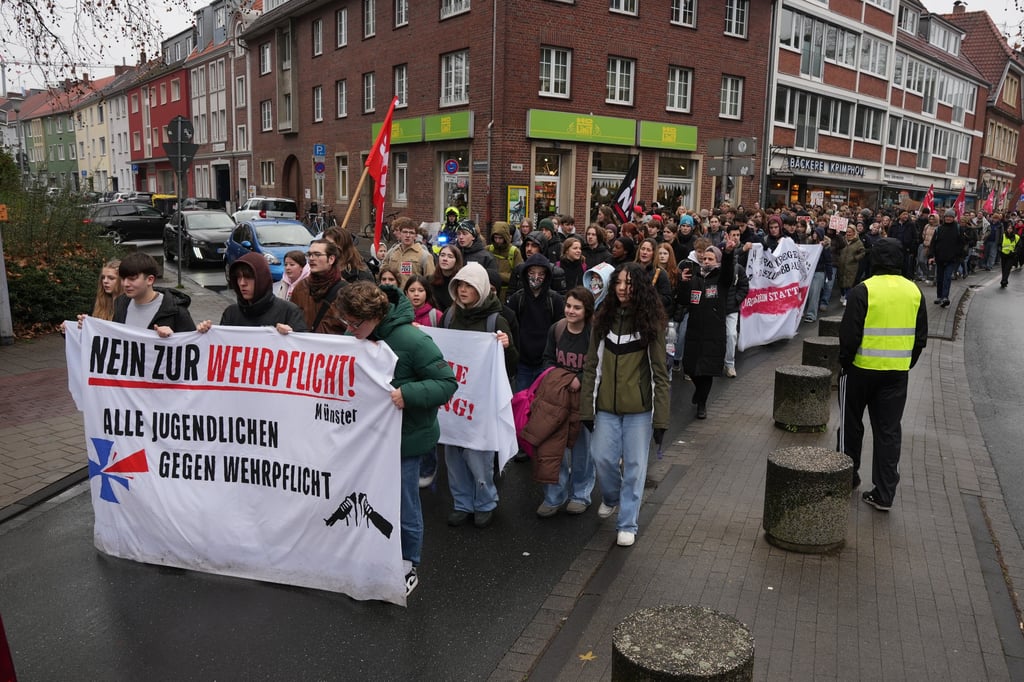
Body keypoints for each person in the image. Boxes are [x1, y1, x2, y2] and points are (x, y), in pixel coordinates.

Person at [336, 281, 458, 596]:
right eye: (346, 322)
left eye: (356, 323)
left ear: (375, 316)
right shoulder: (358, 336)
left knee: (404, 502)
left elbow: (446, 382)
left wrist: (409, 393)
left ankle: (407, 563)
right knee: (370, 499)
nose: (350, 329)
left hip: (406, 440)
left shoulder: (413, 340)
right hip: (369, 441)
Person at [580, 262, 670, 547]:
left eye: (628, 284)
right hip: (606, 406)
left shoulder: (650, 322)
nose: (622, 288)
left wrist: (661, 421)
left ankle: (627, 522)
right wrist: (587, 408)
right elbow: (591, 366)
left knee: (635, 466)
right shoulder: (602, 319)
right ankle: (611, 496)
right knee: (601, 457)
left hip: (639, 410)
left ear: (639, 287)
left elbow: (660, 373)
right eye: (618, 282)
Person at [837, 238, 927, 511]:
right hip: (896, 374)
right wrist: (906, 363)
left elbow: (849, 335)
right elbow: (920, 337)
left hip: (860, 370)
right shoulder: (914, 292)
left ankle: (846, 477)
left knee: (850, 426)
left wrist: (845, 362)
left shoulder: (863, 290)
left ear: (873, 259)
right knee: (888, 433)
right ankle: (884, 493)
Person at [443, 263, 518, 528]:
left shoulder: (495, 320)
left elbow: (512, 365)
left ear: (482, 289)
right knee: (453, 453)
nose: (463, 291)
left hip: (482, 401)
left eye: (469, 286)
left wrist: (506, 348)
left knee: (478, 455)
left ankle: (485, 501)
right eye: (460, 286)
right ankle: (462, 502)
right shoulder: (450, 317)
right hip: (454, 400)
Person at [531, 287, 596, 518]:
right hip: (557, 398)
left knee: (581, 450)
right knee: (552, 447)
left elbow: (597, 366)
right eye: (568, 306)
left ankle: (581, 494)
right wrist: (557, 377)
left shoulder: (593, 333)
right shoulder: (556, 329)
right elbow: (547, 358)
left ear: (587, 311)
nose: (570, 311)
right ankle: (554, 496)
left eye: (577, 307)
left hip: (583, 401)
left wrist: (579, 378)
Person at [678, 238, 739, 419]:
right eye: (704, 259)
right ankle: (698, 392)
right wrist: (682, 282)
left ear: (717, 262)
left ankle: (702, 404)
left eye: (710, 259)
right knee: (690, 368)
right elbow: (683, 300)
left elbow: (728, 270)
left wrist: (728, 253)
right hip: (695, 330)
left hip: (713, 331)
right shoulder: (695, 278)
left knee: (707, 370)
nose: (706, 262)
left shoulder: (721, 279)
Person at [199, 253, 307, 332]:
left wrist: (293, 335)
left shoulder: (289, 312)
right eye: (238, 277)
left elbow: (303, 352)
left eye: (248, 277)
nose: (242, 283)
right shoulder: (231, 313)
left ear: (262, 279)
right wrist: (206, 334)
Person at [508, 253, 565, 392]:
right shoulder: (517, 299)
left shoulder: (555, 300)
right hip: (523, 363)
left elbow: (560, 331)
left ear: (547, 276)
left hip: (546, 364)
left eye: (541, 273)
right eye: (532, 272)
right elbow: (511, 329)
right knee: (521, 403)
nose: (536, 277)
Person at [111, 252, 195, 337]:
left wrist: (172, 337)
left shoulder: (176, 310)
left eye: (132, 279)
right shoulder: (120, 304)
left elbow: (192, 343)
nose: (125, 284)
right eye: (122, 279)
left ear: (150, 280)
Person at [290, 239, 348, 334]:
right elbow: (291, 318)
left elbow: (351, 329)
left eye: (317, 254)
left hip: (331, 347)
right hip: (303, 346)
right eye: (309, 255)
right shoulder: (301, 286)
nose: (311, 258)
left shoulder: (345, 292)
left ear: (331, 259)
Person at [378, 216, 435, 286]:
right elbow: (382, 271)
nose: (408, 235)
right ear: (400, 233)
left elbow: (431, 282)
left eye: (411, 233)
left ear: (416, 236)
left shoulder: (424, 255)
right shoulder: (393, 251)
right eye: (405, 232)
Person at [928, 209, 965, 308]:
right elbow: (933, 244)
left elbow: (962, 243)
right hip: (940, 258)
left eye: (950, 217)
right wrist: (931, 256)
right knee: (939, 278)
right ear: (944, 218)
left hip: (952, 259)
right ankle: (939, 296)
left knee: (947, 278)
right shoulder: (939, 229)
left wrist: (959, 255)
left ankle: (945, 297)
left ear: (953, 218)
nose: (948, 218)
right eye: (947, 216)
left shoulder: (958, 229)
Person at [487, 220, 522, 300]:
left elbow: (518, 276)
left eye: (500, 238)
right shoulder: (489, 249)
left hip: (506, 293)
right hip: (490, 292)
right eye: (495, 238)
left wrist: (499, 276)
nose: (498, 241)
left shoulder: (514, 252)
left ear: (506, 237)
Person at [429, 244, 463, 313]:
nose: (445, 259)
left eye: (450, 256)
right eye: (442, 255)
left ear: (457, 261)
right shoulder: (430, 280)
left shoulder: (461, 283)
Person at [999, 221, 1020, 288]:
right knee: (1003, 268)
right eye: (1008, 228)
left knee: (1007, 269)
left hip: (1011, 255)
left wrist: (1014, 252)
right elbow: (999, 245)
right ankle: (1004, 280)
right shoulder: (1003, 235)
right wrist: (1000, 251)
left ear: (1013, 230)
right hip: (1003, 255)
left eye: (1011, 228)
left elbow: (1019, 246)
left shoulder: (1016, 237)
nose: (1009, 230)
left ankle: (1004, 281)